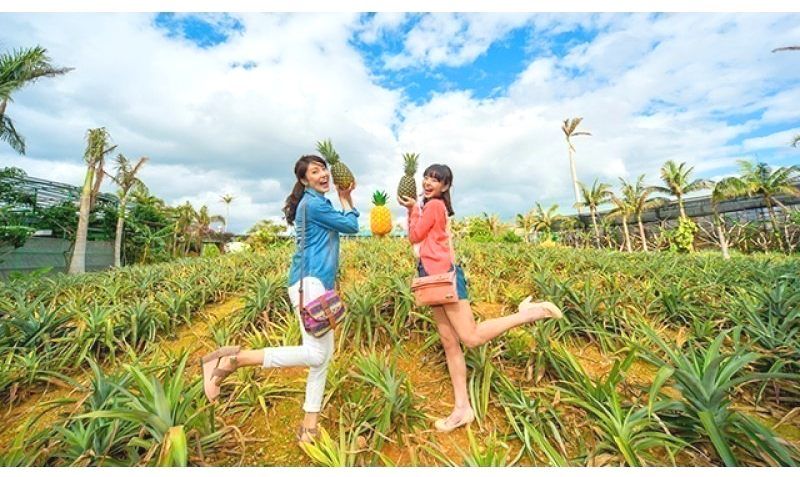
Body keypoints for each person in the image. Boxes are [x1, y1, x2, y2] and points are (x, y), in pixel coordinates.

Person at [201, 154, 358, 444]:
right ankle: (234, 360)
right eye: (315, 171)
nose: (323, 173)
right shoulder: (312, 204)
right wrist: (347, 199)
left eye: (324, 168)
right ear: (303, 180)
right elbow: (351, 227)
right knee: (315, 354)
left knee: (322, 357)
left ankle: (309, 426)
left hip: (318, 283)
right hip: (309, 283)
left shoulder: (319, 203)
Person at [398, 163, 562, 432]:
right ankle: (462, 409)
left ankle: (530, 313)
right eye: (426, 177)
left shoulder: (435, 206)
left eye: (435, 180)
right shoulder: (430, 206)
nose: (428, 182)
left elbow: (415, 235)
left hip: (444, 278)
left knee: (470, 337)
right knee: (450, 344)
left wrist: (411, 210)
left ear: (445, 187)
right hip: (431, 279)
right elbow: (419, 241)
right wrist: (415, 210)